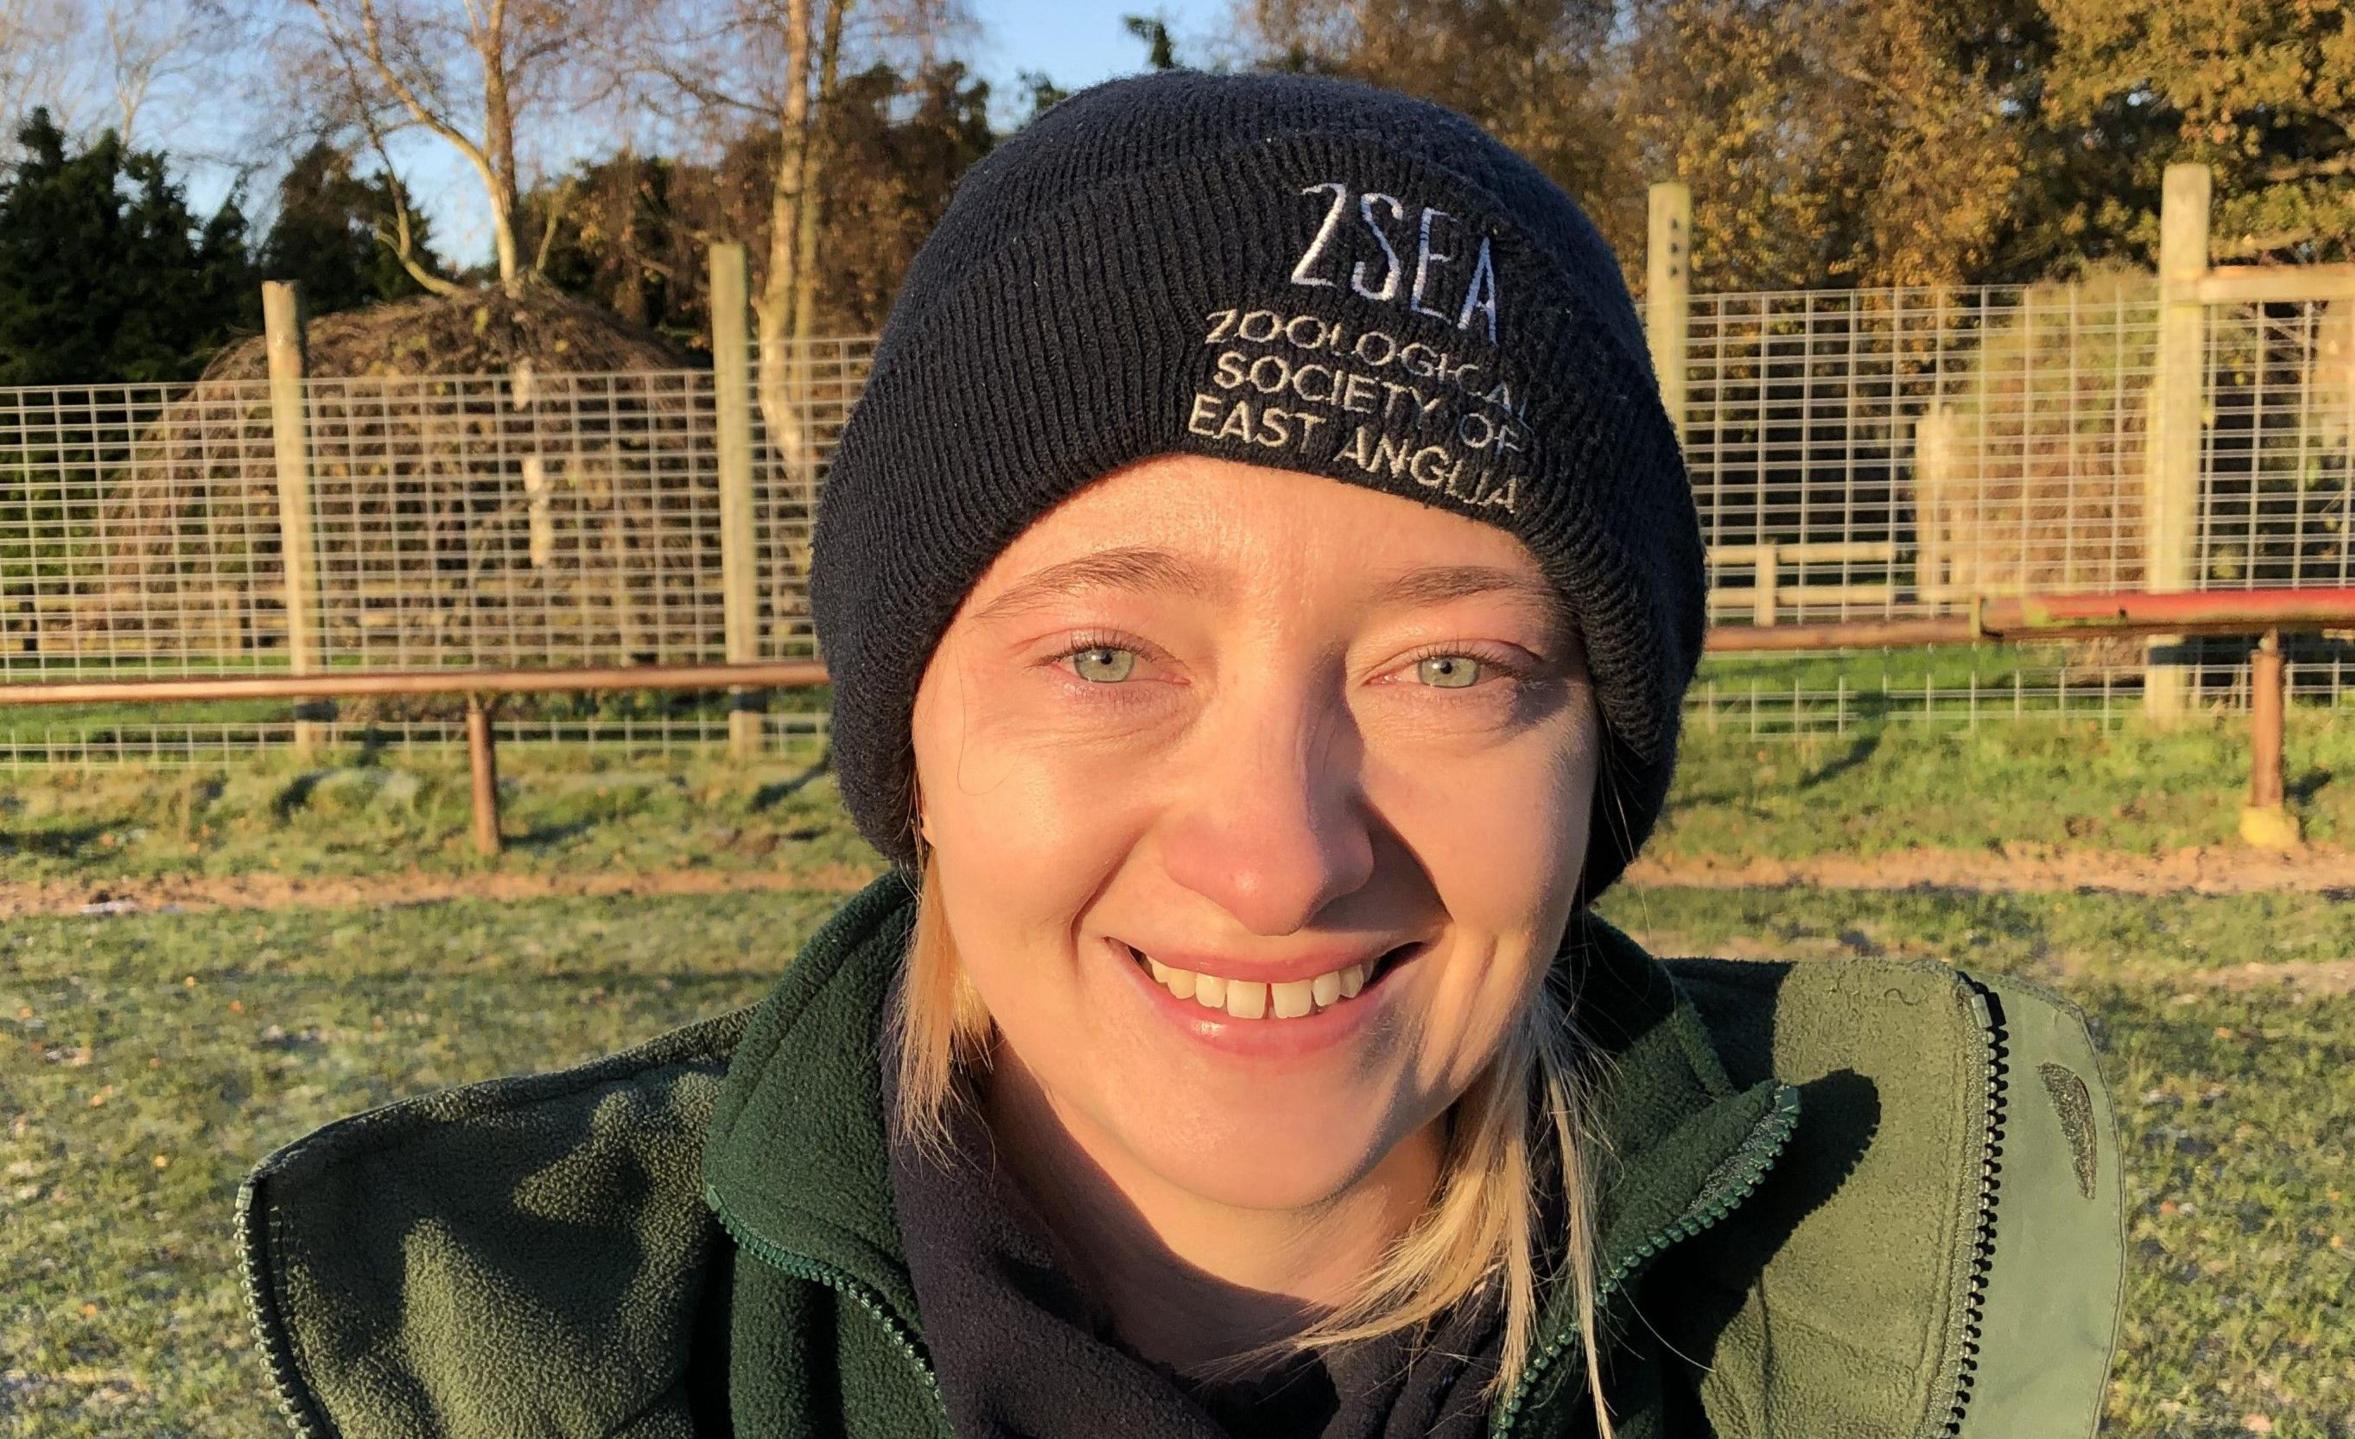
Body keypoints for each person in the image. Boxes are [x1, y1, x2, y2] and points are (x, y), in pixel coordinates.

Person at [236, 70, 2125, 1439]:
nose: (1278, 851)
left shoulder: (1885, 1338)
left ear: (1597, 766)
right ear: (917, 740)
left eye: (1451, 661)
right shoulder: (534, 1372)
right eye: (1108, 651)